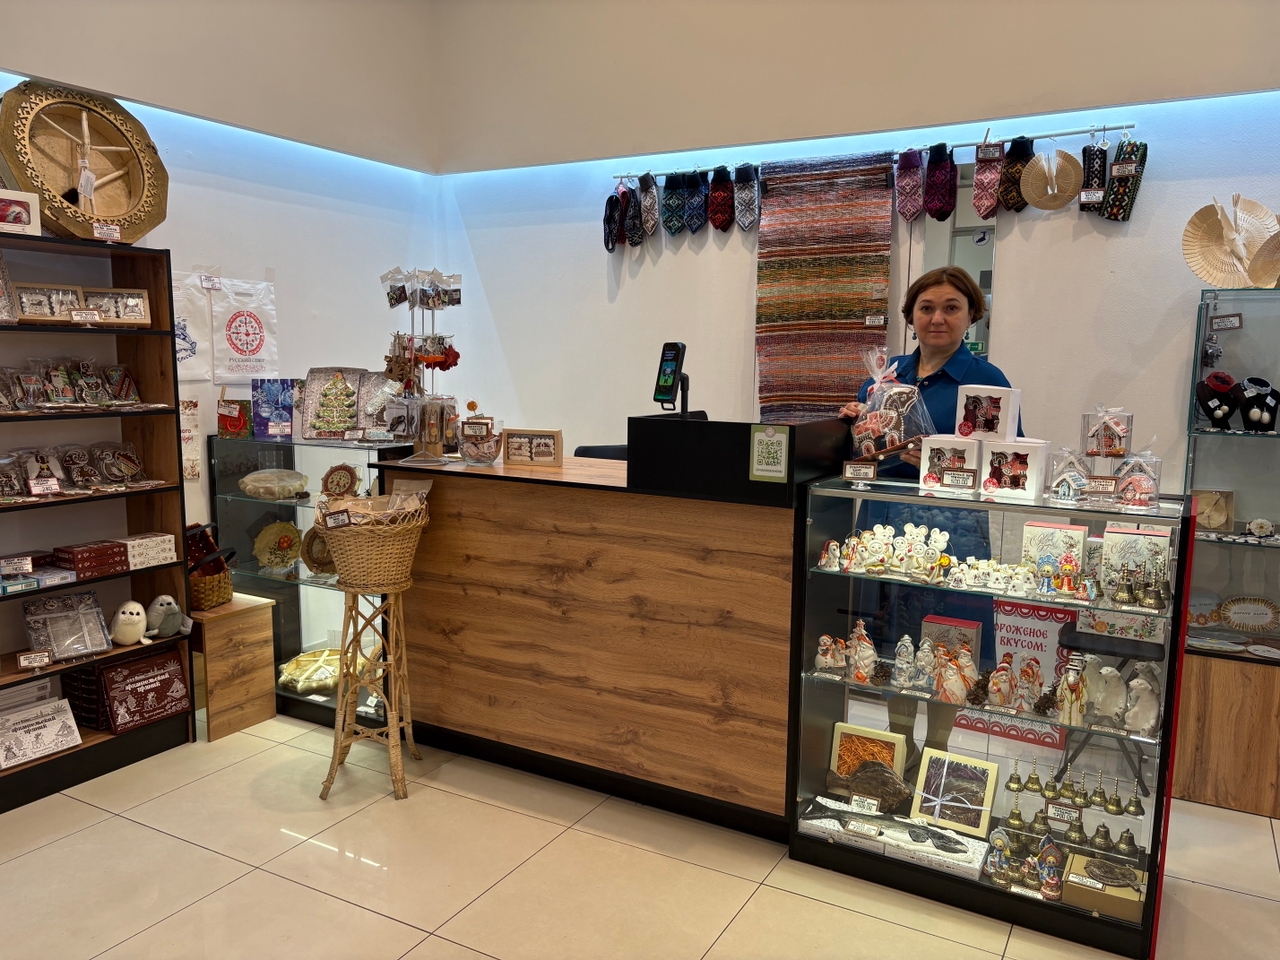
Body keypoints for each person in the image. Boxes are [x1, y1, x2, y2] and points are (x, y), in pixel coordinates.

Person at [839, 266, 1018, 775]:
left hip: (954, 528)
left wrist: (943, 461)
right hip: (885, 523)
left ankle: (935, 753)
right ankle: (899, 748)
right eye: (926, 308)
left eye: (951, 308)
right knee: (893, 638)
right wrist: (853, 423)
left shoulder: (985, 381)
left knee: (949, 641)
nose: (937, 318)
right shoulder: (884, 377)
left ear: (971, 315)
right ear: (911, 316)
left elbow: (1008, 467)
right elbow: (862, 455)